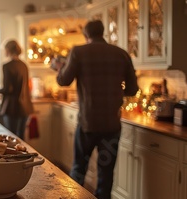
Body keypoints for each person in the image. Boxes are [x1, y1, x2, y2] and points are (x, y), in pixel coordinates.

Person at [56, 20, 139, 199]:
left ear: (86, 35)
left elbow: (63, 81)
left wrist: (59, 67)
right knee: (106, 173)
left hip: (88, 122)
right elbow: (132, 90)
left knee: (79, 168)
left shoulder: (79, 52)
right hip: (112, 125)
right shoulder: (122, 54)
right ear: (103, 33)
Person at [0, 40, 33, 139]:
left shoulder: (7, 66)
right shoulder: (24, 65)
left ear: (8, 50)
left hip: (12, 108)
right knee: (21, 138)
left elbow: (8, 89)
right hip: (25, 107)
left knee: (11, 138)